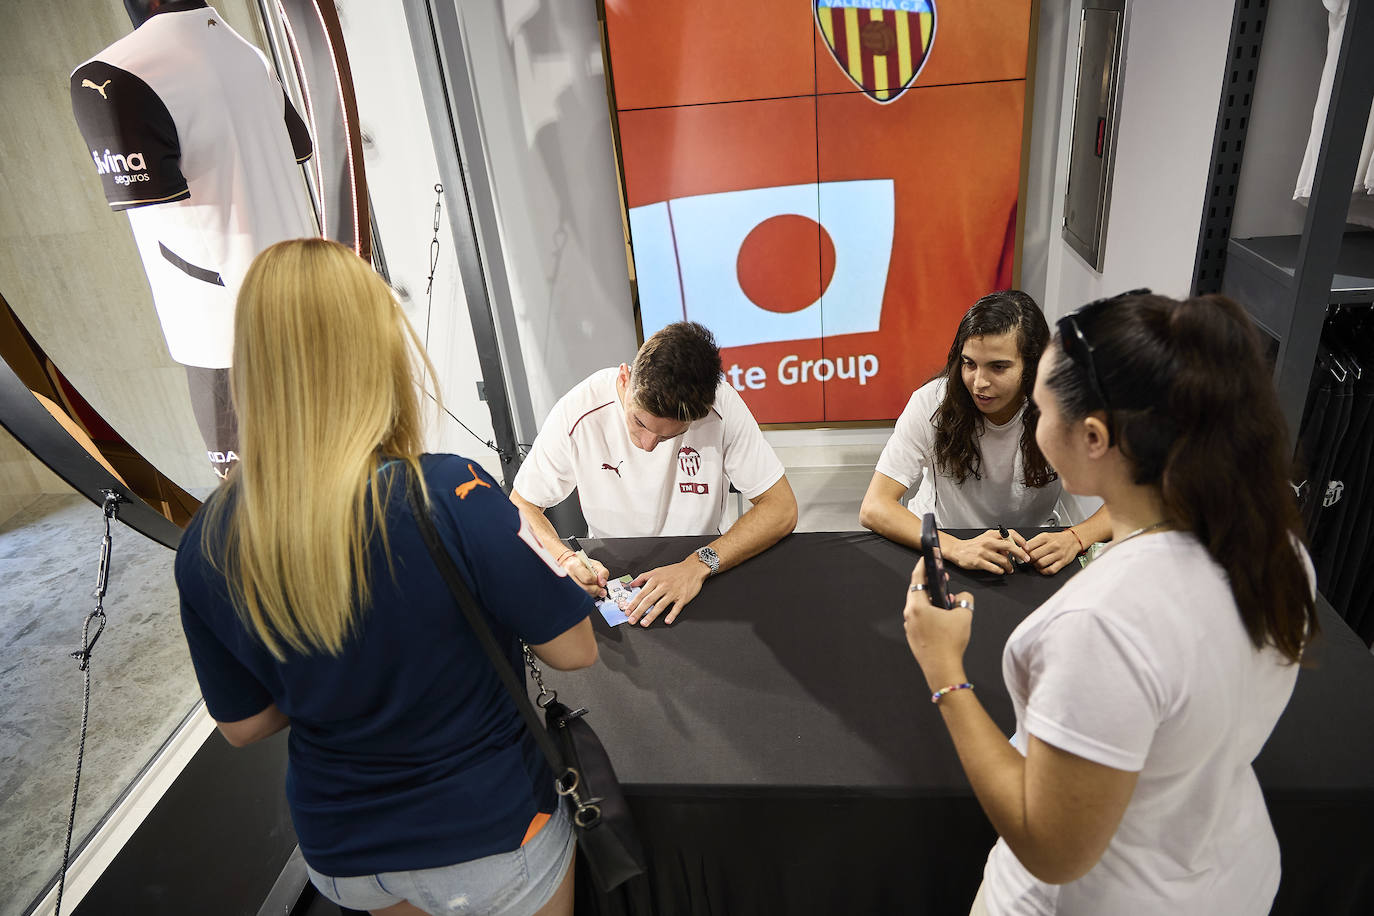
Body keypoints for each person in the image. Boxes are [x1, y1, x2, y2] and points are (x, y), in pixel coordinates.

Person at [175, 239, 597, 916]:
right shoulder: (449, 494)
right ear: (375, 354)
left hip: (346, 854)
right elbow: (575, 649)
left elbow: (245, 726)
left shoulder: (208, 540)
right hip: (489, 832)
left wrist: (336, 676)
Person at [901, 291, 1319, 915]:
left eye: (1038, 408)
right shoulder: (1274, 547)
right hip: (1228, 877)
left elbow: (1052, 847)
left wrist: (945, 673)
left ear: (1092, 437)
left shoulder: (1101, 623)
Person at [512, 321, 798, 627]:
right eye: (639, 422)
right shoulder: (579, 409)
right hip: (610, 567)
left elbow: (781, 508)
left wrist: (698, 564)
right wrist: (564, 558)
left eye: (667, 437)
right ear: (625, 378)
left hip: (701, 564)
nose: (648, 445)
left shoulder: (722, 406)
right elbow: (522, 504)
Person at [860, 290, 1111, 574]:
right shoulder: (930, 404)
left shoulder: (1068, 408)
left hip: (1028, 550)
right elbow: (874, 506)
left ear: (1033, 366)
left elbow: (1141, 496)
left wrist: (1076, 537)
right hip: (944, 540)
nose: (979, 382)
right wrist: (955, 547)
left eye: (998, 367)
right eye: (969, 363)